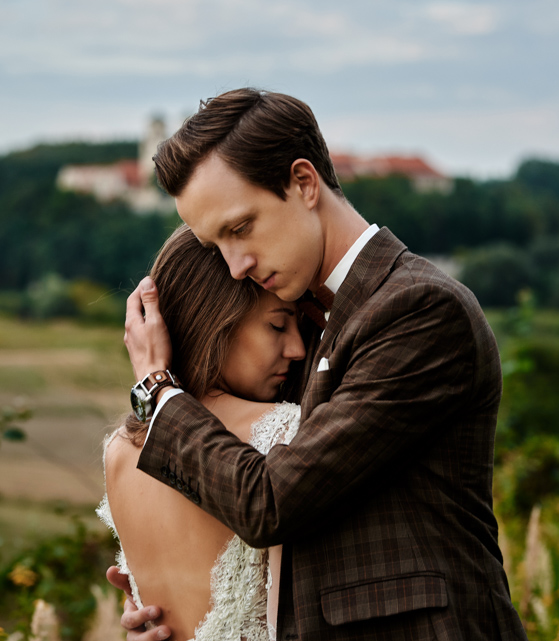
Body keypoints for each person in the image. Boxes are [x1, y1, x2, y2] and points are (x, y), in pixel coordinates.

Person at [119, 88, 528, 640]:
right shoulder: (301, 321)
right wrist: (173, 602)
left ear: (304, 183)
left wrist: (157, 389)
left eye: (241, 228)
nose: (235, 266)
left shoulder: (420, 309)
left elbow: (272, 502)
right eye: (216, 246)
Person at [98, 224, 307, 640]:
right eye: (277, 326)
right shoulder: (283, 431)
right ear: (214, 323)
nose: (298, 349)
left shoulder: (119, 451)